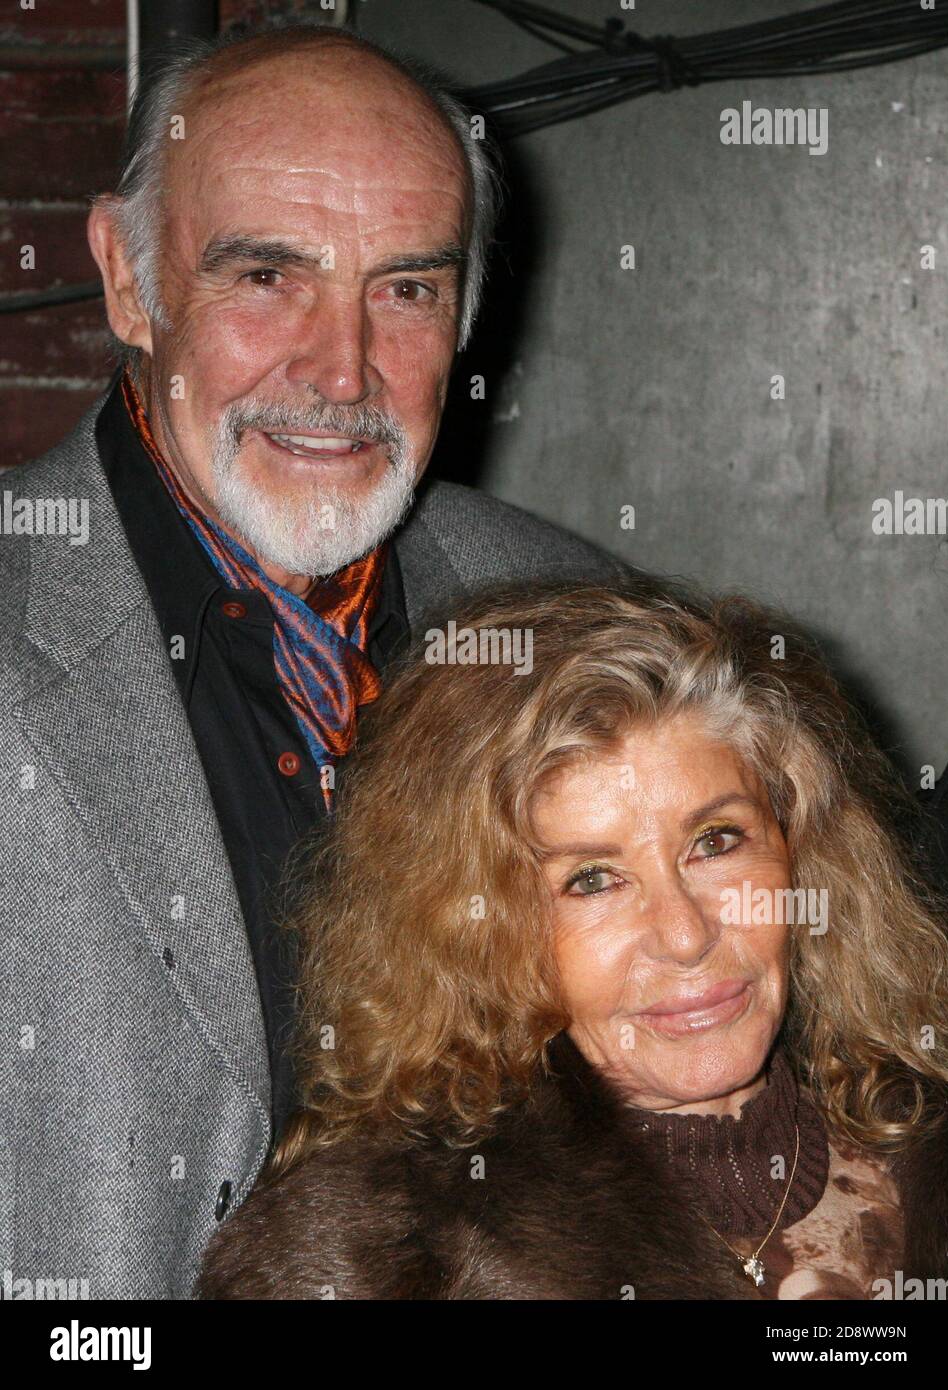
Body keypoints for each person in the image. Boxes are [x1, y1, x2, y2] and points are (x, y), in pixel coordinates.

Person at [0, 23, 622, 1299]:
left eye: (406, 288)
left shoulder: (583, 618)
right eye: (268, 275)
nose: (343, 370)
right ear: (128, 280)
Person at [198, 579, 948, 1300]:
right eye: (592, 880)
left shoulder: (925, 1151)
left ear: (802, 851)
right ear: (478, 931)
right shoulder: (387, 1251)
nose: (686, 934)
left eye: (717, 840)